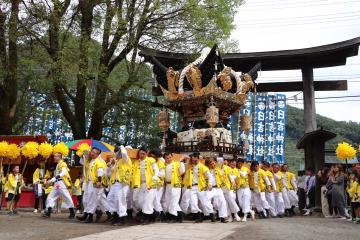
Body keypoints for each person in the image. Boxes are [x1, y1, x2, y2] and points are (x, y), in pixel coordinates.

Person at [76, 147, 111, 223]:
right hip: (90, 183)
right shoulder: (91, 160)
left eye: (94, 152)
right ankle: (110, 215)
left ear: (98, 154)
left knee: (93, 199)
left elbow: (100, 171)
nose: (92, 153)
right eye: (91, 152)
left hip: (97, 183)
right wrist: (83, 155)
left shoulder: (100, 161)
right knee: (101, 200)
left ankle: (90, 216)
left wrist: (99, 181)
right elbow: (83, 163)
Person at [180, 152, 213, 223]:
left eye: (195, 160)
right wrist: (183, 159)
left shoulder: (203, 167)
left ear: (198, 159)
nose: (194, 161)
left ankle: (212, 214)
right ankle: (199, 216)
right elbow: (181, 165)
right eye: (193, 160)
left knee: (205, 202)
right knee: (193, 203)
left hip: (201, 187)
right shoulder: (189, 166)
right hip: (192, 187)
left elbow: (210, 176)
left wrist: (210, 184)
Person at [131, 147, 160, 224]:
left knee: (148, 201)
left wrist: (155, 176)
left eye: (144, 153)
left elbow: (156, 170)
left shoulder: (151, 160)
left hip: (150, 184)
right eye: (141, 153)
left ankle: (147, 219)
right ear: (139, 153)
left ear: (146, 154)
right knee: (139, 201)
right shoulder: (136, 162)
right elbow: (133, 173)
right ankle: (154, 213)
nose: (142, 155)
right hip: (140, 184)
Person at [42, 153, 75, 219]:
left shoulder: (63, 164)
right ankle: (48, 212)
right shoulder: (58, 164)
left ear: (59, 157)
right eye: (54, 156)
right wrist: (52, 180)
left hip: (61, 183)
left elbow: (63, 173)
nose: (54, 157)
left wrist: (53, 179)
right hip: (57, 183)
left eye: (55, 156)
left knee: (66, 197)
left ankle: (72, 212)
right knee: (51, 196)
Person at [106, 145, 132, 225]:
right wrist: (110, 166)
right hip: (115, 183)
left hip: (123, 183)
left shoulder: (126, 159)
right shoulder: (117, 161)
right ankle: (116, 215)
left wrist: (121, 147)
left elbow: (124, 154)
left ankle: (122, 219)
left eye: (117, 153)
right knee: (110, 199)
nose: (116, 155)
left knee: (121, 201)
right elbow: (112, 172)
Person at [163, 152, 186, 223]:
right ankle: (180, 216)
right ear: (165, 159)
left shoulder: (177, 163)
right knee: (168, 201)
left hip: (176, 185)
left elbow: (182, 171)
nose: (169, 159)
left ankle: (173, 217)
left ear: (172, 157)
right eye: (167, 158)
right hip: (168, 185)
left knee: (174, 200)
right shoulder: (163, 165)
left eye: (170, 157)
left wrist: (181, 162)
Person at [205, 157, 228, 223]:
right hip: (209, 189)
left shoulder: (218, 169)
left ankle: (223, 217)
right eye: (211, 164)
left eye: (213, 163)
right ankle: (212, 213)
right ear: (208, 164)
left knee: (222, 202)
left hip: (218, 188)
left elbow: (220, 160)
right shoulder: (205, 170)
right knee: (206, 201)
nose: (213, 165)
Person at [149, 148, 166, 222]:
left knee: (156, 199)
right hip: (151, 183)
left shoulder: (160, 162)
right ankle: (156, 214)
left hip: (159, 184)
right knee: (152, 200)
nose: (152, 157)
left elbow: (162, 174)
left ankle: (159, 215)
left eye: (154, 156)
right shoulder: (149, 160)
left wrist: (154, 173)